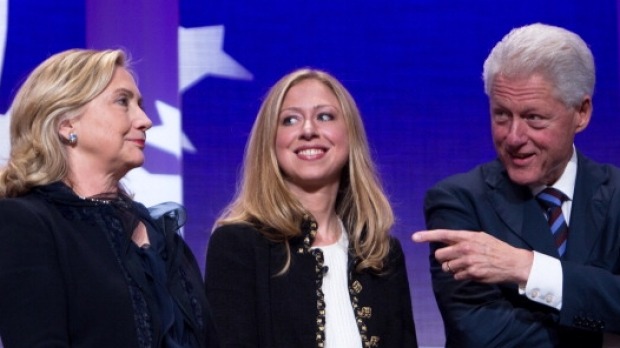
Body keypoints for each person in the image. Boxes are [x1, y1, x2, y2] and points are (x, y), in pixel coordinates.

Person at [412, 23, 620, 347]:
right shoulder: (459, 201)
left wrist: (527, 268)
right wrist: (601, 327)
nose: (513, 137)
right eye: (501, 115)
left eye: (534, 117)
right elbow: (483, 336)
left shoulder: (617, 196)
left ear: (581, 112)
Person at [0, 49, 216, 347]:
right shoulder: (26, 223)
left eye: (139, 104)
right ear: (67, 124)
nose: (145, 120)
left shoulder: (163, 235)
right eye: (122, 102)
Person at [205, 68, 418, 348]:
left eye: (325, 116)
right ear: (270, 141)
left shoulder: (381, 253)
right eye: (290, 120)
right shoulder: (236, 246)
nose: (308, 130)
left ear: (350, 135)